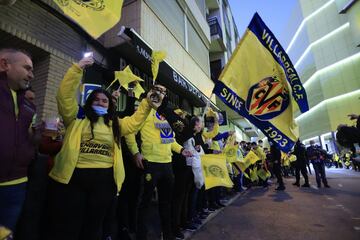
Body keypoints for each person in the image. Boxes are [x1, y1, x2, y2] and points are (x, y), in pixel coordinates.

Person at [42, 56, 160, 240]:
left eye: (104, 101)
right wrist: (76, 69)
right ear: (89, 102)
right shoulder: (75, 120)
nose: (100, 103)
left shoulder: (115, 124)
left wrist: (147, 104)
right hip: (73, 180)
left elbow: (134, 123)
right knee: (68, 226)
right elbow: (64, 97)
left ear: (109, 105)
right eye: (96, 100)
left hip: (104, 182)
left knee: (93, 226)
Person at [125, 85, 192, 240]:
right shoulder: (144, 111)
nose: (161, 93)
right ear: (152, 92)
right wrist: (136, 153)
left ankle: (167, 234)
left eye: (164, 91)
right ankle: (141, 235)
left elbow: (171, 140)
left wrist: (181, 150)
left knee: (166, 203)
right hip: (150, 164)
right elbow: (129, 132)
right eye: (158, 90)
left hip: (167, 165)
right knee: (145, 203)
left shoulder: (168, 114)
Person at [0, 48, 36, 234]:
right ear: (5, 64)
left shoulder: (28, 106)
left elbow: (26, 139)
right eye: (27, 68)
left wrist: (38, 135)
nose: (31, 75)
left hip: (16, 185)